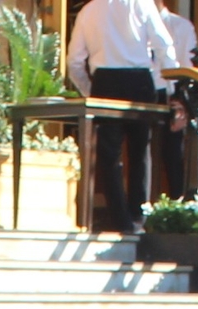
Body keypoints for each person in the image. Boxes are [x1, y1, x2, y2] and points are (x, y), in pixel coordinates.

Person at [67, 0, 178, 234]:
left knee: (109, 156)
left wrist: (90, 91)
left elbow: (74, 61)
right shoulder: (142, 4)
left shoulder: (89, 10)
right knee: (140, 151)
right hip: (138, 80)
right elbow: (163, 45)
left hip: (105, 82)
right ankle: (138, 216)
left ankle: (120, 220)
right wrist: (173, 87)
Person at [155, 3, 197, 202]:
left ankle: (177, 205)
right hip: (143, 93)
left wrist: (182, 105)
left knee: (173, 156)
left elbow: (187, 68)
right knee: (142, 157)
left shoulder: (181, 26)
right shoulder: (132, 25)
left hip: (171, 97)